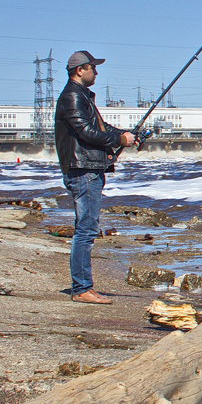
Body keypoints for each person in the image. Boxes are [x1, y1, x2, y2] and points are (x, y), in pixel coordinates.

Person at [54, 50, 135, 304]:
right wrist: (119, 140)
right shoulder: (72, 97)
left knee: (87, 229)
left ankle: (83, 287)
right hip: (84, 171)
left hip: (89, 169)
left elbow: (100, 128)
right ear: (80, 70)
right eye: (93, 68)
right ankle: (81, 289)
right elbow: (86, 133)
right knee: (86, 231)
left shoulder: (81, 97)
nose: (96, 72)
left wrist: (127, 134)